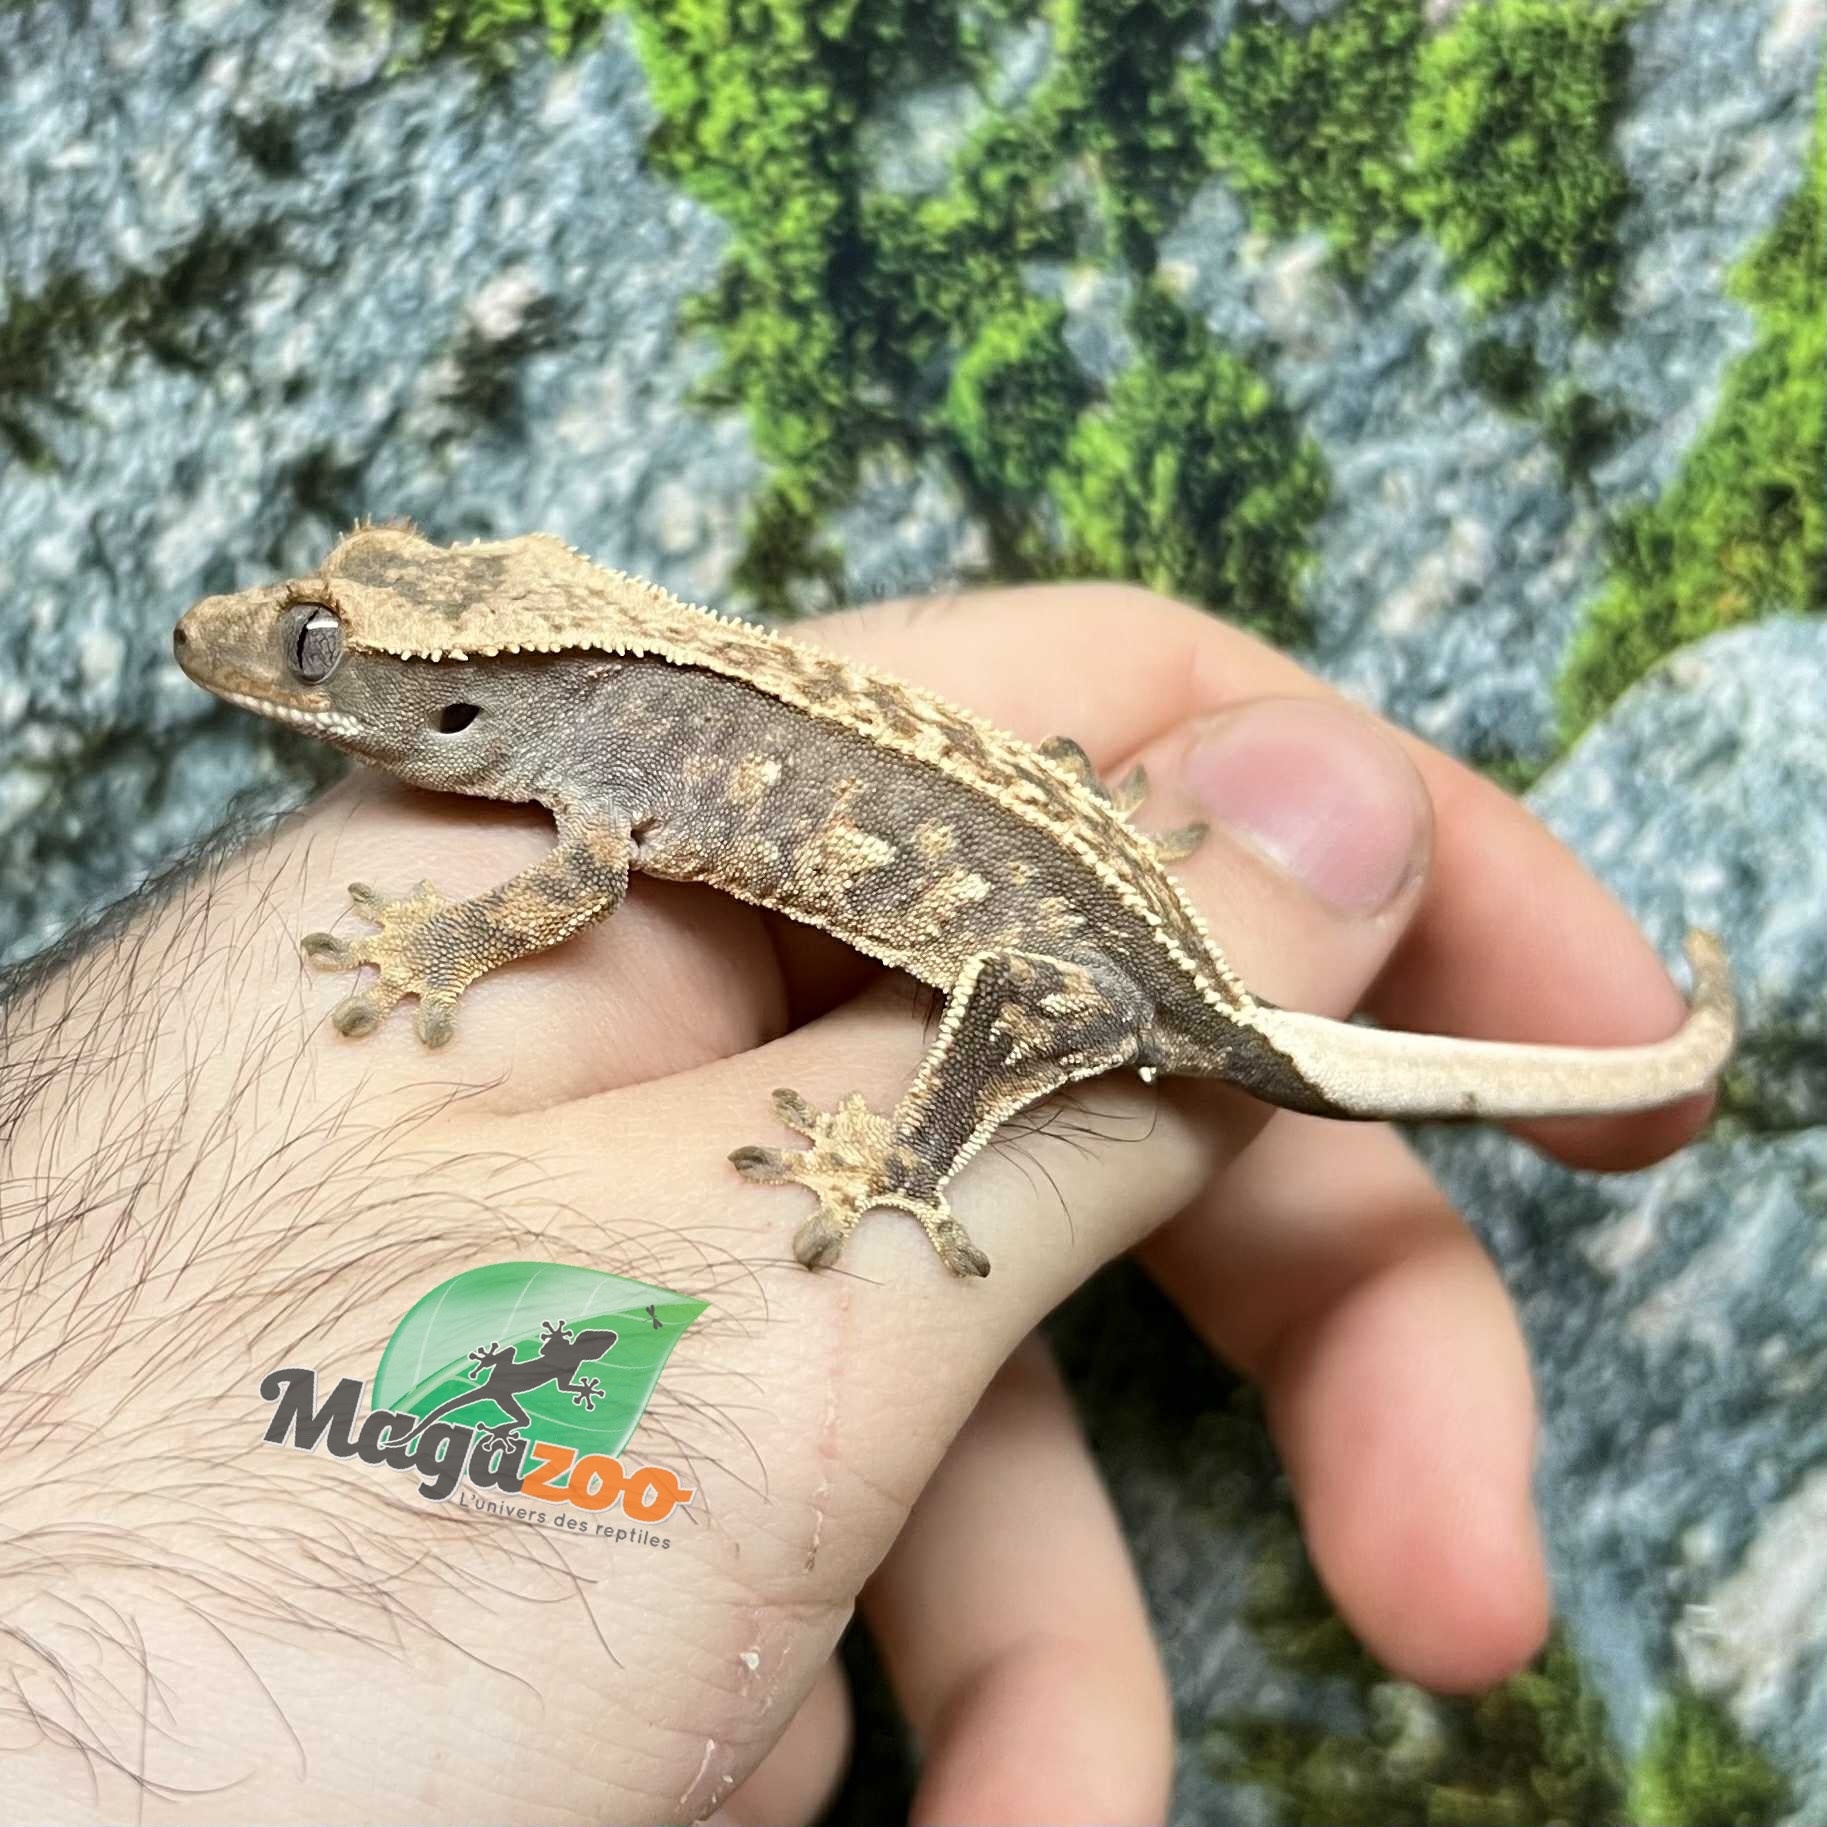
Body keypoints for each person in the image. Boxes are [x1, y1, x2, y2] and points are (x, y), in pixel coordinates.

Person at [0, 582, 1709, 1824]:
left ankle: (906, 1156)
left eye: (314, 650)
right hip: (1058, 884)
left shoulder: (588, 773)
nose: (253, 649)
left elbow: (579, 881)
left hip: (1108, 981)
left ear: (447, 694)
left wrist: (437, 945)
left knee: (1021, 1028)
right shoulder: (589, 717)